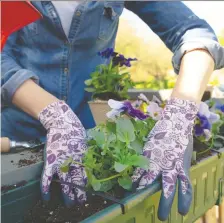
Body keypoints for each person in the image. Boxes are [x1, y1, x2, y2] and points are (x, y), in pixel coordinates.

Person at [1, 1, 224, 221]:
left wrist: (180, 113)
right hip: (16, 143)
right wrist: (53, 112)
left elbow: (194, 33)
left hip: (87, 146)